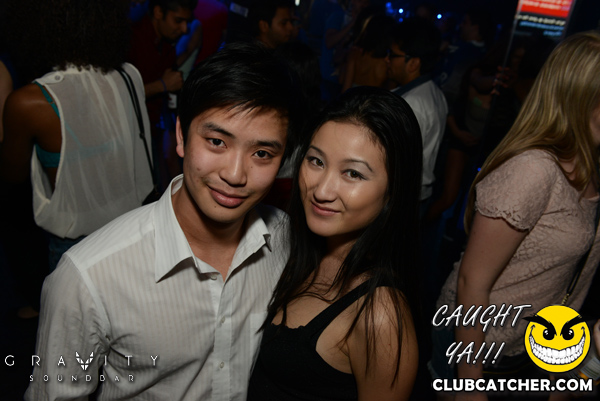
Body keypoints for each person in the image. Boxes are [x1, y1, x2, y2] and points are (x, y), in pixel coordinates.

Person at [24, 42, 299, 400]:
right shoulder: (88, 278)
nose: (235, 174)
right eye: (217, 142)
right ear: (181, 136)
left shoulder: (285, 240)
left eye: (262, 153)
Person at [432, 31, 600, 399]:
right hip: (477, 346)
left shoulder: (591, 170)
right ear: (580, 98)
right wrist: (469, 385)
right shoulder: (534, 170)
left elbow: (572, 283)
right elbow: (471, 281)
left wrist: (561, 369)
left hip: (530, 348)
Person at [248, 86, 421, 400]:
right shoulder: (286, 249)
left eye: (352, 173)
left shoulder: (380, 316)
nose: (322, 190)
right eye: (316, 161)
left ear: (392, 192)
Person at [0, 0, 153, 273]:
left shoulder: (29, 102)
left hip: (75, 248)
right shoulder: (129, 75)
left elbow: (12, 175)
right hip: (131, 231)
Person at [128, 0, 199, 190]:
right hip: (128, 134)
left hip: (151, 128)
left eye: (187, 22)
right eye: (178, 21)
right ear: (159, 12)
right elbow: (117, 94)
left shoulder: (166, 42)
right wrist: (162, 85)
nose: (184, 29)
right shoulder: (131, 38)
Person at [386, 17, 447, 211]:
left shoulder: (411, 104)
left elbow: (396, 161)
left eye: (392, 55)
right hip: (416, 195)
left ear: (413, 63)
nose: (387, 60)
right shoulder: (435, 93)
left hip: (401, 198)